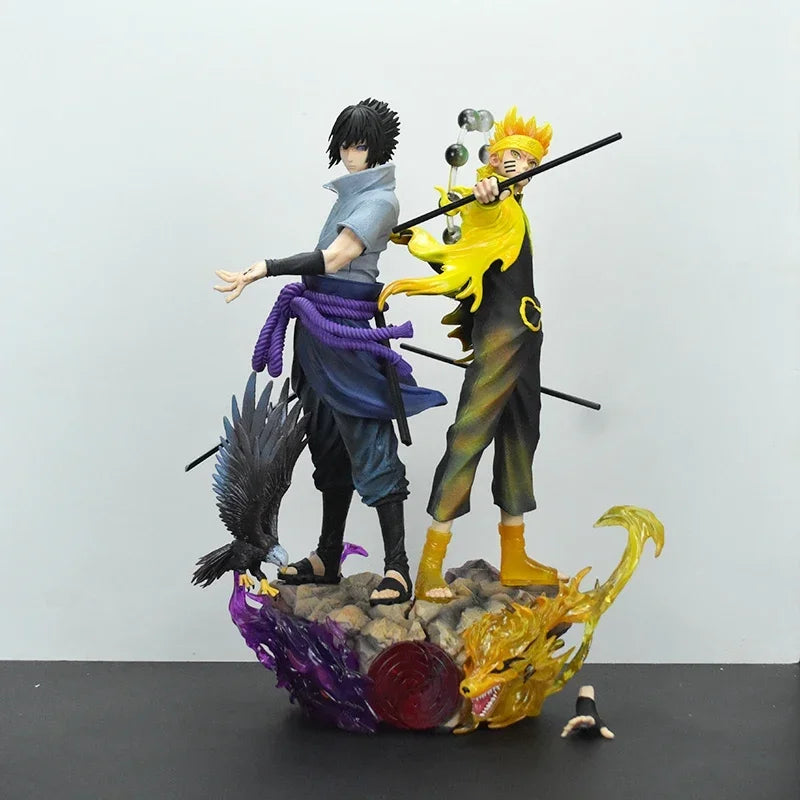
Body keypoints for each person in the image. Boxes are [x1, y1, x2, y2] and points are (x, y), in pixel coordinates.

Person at [214, 99, 445, 605]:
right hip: (315, 336)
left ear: (376, 147)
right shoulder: (352, 195)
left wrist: (267, 267)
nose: (349, 153)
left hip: (344, 333)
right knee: (326, 443)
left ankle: (398, 567)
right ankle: (328, 553)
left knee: (368, 441)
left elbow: (338, 257)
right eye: (343, 143)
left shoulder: (379, 200)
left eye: (358, 144)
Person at [379, 107, 561, 602]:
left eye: (529, 160)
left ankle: (515, 556)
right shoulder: (495, 204)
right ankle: (430, 566)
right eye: (512, 155)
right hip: (502, 336)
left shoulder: (516, 207)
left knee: (522, 433)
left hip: (526, 335)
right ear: (494, 159)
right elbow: (484, 211)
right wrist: (485, 198)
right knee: (471, 434)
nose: (520, 165)